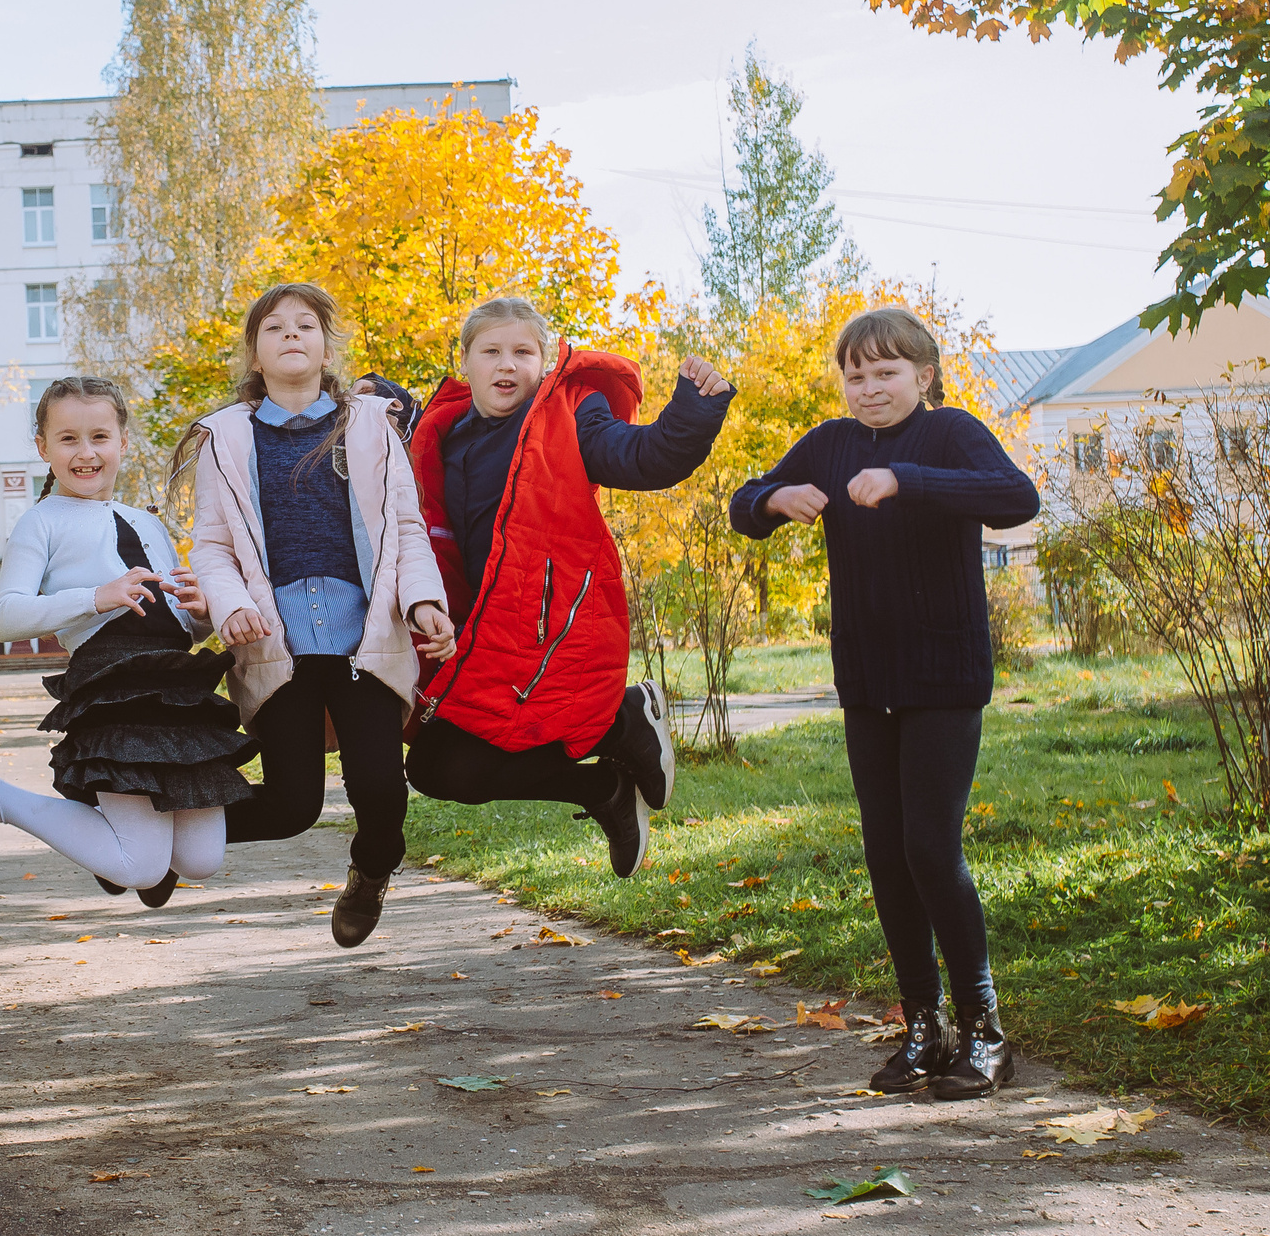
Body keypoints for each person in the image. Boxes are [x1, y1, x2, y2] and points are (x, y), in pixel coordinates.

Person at [729, 305, 1039, 1100]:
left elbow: (1015, 496)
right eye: (855, 374)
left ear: (923, 376)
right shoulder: (831, 444)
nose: (868, 388)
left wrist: (908, 480)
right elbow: (745, 500)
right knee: (888, 855)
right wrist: (773, 500)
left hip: (944, 676)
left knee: (932, 847)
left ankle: (986, 1032)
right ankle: (924, 1031)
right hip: (869, 680)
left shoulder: (950, 434)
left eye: (886, 372)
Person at [399, 297, 732, 876]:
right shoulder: (442, 435)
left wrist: (693, 413)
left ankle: (623, 719)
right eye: (492, 351)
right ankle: (602, 788)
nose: (508, 365)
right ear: (466, 361)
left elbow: (640, 458)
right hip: (480, 640)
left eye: (523, 352)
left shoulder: (571, 412)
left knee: (485, 749)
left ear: (545, 361)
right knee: (434, 768)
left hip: (552, 631)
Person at [174, 283, 455, 949]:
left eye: (306, 325)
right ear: (255, 352)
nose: (292, 334)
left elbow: (407, 529)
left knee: (383, 790)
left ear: (328, 347)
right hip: (277, 641)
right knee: (292, 804)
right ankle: (167, 840)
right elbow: (212, 545)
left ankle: (371, 872)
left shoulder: (371, 426)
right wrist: (233, 603)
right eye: (275, 327)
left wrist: (423, 601)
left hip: (366, 637)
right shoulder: (225, 436)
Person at [0, 377, 248, 902]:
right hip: (111, 685)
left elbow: (179, 625)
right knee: (140, 868)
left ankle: (116, 846)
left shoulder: (147, 522)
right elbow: (4, 618)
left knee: (202, 860)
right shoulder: (40, 522)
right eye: (68, 439)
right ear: (43, 448)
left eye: (99, 436)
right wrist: (95, 596)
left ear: (122, 442)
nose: (86, 453)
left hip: (175, 687)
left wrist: (202, 614)